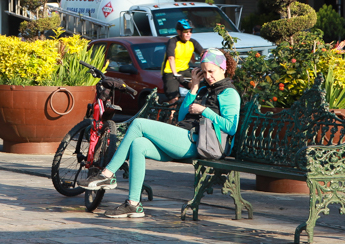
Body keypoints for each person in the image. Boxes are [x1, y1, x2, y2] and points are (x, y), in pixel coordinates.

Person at [79, 48, 240, 218]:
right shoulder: (204, 89)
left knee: (139, 124)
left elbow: (231, 127)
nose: (208, 76)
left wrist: (205, 110)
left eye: (211, 71)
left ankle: (107, 174)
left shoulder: (229, 93)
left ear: (223, 68)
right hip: (186, 138)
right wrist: (193, 88)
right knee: (138, 144)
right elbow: (182, 116)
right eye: (204, 71)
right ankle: (133, 204)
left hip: (200, 143)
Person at [162, 19, 203, 101]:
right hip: (171, 72)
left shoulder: (192, 42)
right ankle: (172, 113)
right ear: (179, 32)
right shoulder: (173, 41)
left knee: (195, 85)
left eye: (190, 31)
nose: (188, 33)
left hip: (184, 70)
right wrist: (175, 73)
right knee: (174, 98)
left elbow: (203, 54)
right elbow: (171, 57)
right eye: (185, 31)